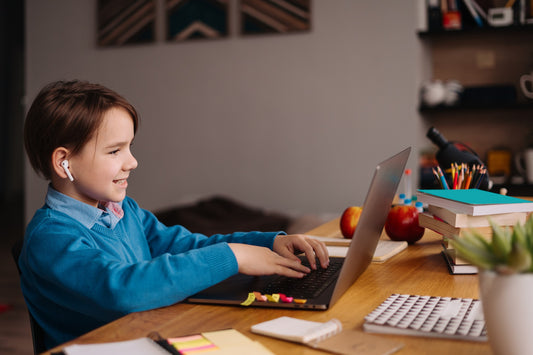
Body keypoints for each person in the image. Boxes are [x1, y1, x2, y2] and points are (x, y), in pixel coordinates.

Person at [19, 80, 330, 350]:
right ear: (64, 163)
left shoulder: (123, 211)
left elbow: (181, 245)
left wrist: (265, 243)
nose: (132, 162)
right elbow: (123, 290)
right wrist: (233, 255)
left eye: (130, 147)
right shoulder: (50, 239)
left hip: (154, 337)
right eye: (115, 151)